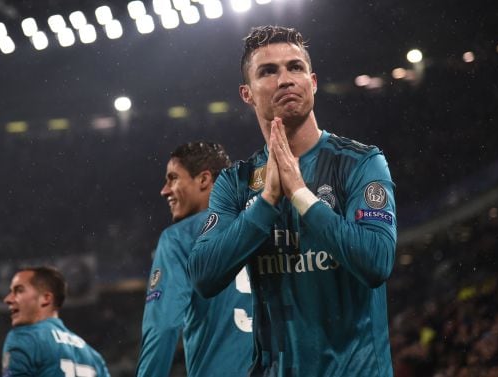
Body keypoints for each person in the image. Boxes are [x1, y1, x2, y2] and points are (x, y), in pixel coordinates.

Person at [188, 26, 397, 376]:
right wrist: (267, 200)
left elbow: (377, 262)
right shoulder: (236, 183)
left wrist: (301, 195)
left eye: (295, 67)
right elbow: (203, 276)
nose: (285, 79)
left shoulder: (360, 162)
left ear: (313, 82)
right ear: (247, 93)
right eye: (268, 71)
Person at [136, 141, 253, 377]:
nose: (165, 190)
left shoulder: (180, 238)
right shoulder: (264, 226)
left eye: (173, 178)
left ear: (203, 179)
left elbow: (163, 326)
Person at [1, 266, 110, 377]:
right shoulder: (94, 357)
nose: (8, 299)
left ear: (46, 298)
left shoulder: (24, 337)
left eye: (19, 290)